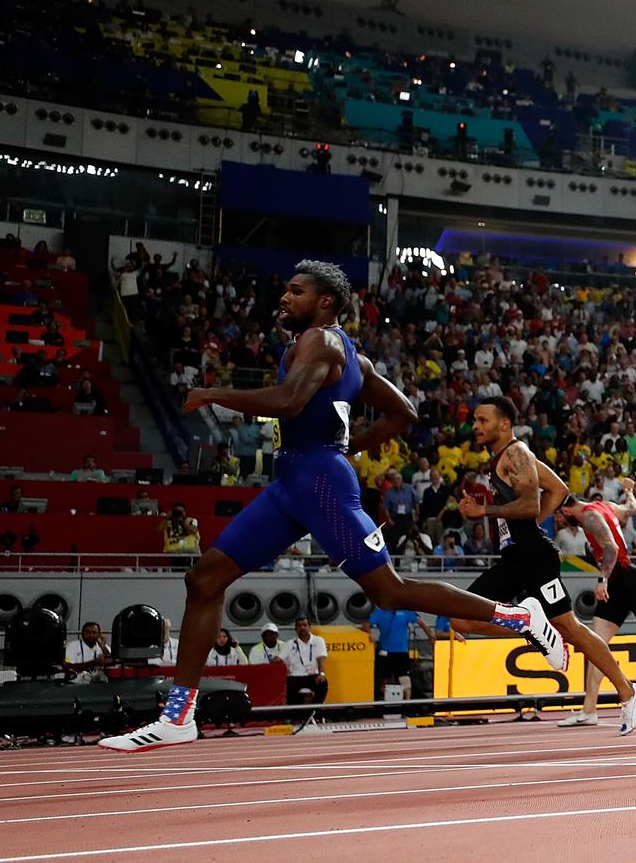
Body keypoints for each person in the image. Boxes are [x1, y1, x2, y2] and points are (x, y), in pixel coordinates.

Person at [100, 262, 567, 753]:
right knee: (205, 578)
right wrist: (351, 446)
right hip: (294, 482)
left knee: (390, 593)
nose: (284, 298)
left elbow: (290, 399)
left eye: (295, 291)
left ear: (325, 302)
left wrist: (215, 393)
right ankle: (178, 716)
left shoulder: (321, 341)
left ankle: (519, 618)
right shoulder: (352, 357)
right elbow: (403, 411)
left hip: (319, 482)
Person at [445, 396, 636, 735]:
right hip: (516, 555)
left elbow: (531, 501)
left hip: (533, 556)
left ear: (504, 423)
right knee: (461, 618)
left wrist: (487, 513)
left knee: (572, 629)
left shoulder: (516, 452)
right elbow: (559, 488)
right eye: (475, 420)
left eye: (483, 420)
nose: (476, 426)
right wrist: (530, 523)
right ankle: (528, 625)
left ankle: (628, 692)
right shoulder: (508, 457)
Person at [551, 490, 636, 727]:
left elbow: (610, 547)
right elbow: (632, 509)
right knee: (594, 646)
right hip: (614, 584)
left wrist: (602, 580)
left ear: (565, 510)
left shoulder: (590, 516)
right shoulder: (606, 506)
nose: (558, 522)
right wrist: (630, 492)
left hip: (628, 580)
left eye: (558, 517)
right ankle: (588, 710)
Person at [366, 604, 421, 698]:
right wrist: (371, 634)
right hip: (385, 651)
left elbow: (420, 622)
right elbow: (366, 624)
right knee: (384, 678)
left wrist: (431, 636)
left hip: (401, 652)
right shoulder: (380, 612)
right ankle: (385, 700)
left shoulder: (405, 612)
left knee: (404, 679)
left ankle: (407, 702)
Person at [280, 617, 327, 704]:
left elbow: (321, 660)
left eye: (304, 625)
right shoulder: (289, 643)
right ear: (295, 629)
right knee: (287, 686)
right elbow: (280, 659)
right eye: (299, 626)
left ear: (309, 627)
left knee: (322, 683)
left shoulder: (319, 640)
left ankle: (314, 711)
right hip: (295, 676)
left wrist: (321, 674)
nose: (302, 628)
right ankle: (294, 714)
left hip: (312, 675)